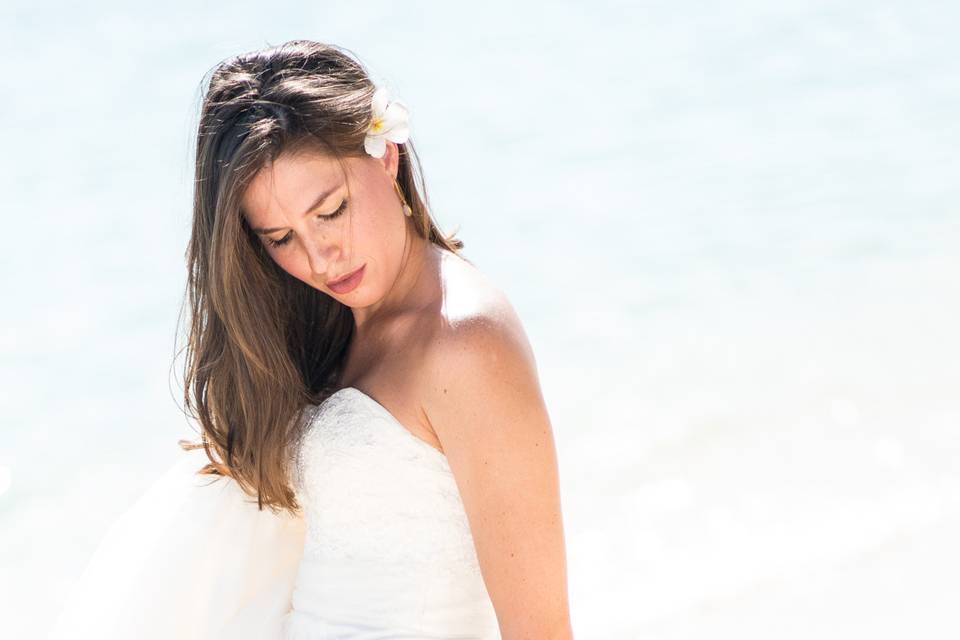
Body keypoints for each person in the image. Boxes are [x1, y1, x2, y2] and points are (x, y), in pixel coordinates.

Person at [48, 39, 572, 640]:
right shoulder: (341, 327)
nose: (321, 258)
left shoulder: (463, 340)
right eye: (280, 238)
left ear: (386, 155)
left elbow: (541, 629)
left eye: (331, 210)